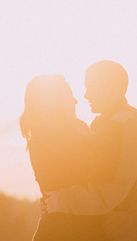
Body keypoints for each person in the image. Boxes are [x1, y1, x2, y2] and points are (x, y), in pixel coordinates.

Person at [43, 61, 137, 241]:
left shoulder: (127, 127)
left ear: (113, 89)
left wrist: (63, 201)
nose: (86, 95)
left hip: (133, 234)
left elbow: (115, 188)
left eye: (91, 87)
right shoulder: (110, 124)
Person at [20, 74, 105, 241]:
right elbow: (99, 174)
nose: (76, 101)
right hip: (69, 230)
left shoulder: (71, 130)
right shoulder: (52, 139)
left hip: (67, 227)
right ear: (54, 102)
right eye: (69, 96)